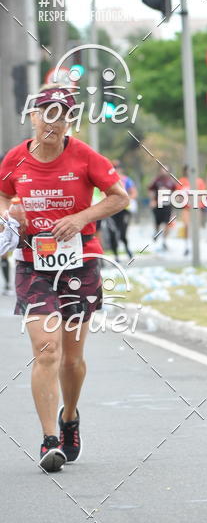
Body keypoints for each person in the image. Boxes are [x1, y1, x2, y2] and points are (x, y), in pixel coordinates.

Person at [0, 85, 129, 471]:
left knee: (72, 358)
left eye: (62, 114)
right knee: (46, 349)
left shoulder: (85, 156)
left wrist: (80, 218)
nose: (53, 121)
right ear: (33, 116)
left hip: (79, 263)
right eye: (46, 113)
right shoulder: (14, 160)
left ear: (69, 120)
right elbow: (2, 195)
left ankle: (69, 416)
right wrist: (12, 214)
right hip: (32, 262)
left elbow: (119, 197)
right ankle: (48, 440)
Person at [104, 160, 137, 261]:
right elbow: (103, 194)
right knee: (113, 232)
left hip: (124, 210)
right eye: (114, 169)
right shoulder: (107, 180)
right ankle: (116, 255)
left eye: (117, 168)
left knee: (123, 232)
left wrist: (126, 199)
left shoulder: (127, 180)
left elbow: (134, 193)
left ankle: (127, 249)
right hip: (112, 210)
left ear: (121, 169)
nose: (116, 171)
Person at [148, 167, 177, 252]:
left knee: (167, 223)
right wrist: (152, 200)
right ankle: (156, 232)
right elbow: (150, 190)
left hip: (167, 205)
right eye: (162, 170)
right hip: (158, 204)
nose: (164, 172)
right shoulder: (156, 180)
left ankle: (164, 241)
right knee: (157, 222)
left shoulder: (171, 181)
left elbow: (175, 192)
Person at [180, 163, 206, 256]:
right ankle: (186, 246)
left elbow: (202, 195)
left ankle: (195, 246)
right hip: (186, 209)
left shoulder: (199, 181)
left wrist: (197, 202)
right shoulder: (181, 181)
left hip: (196, 208)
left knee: (196, 227)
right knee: (186, 226)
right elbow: (178, 195)